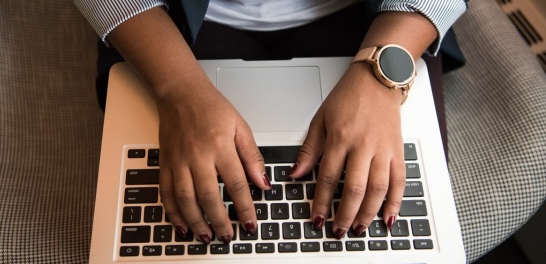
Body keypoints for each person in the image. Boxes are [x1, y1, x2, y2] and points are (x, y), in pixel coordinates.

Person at [75, 0, 467, 245]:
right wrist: (178, 89)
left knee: (385, 236)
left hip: (375, 19)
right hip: (167, 20)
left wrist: (380, 77)